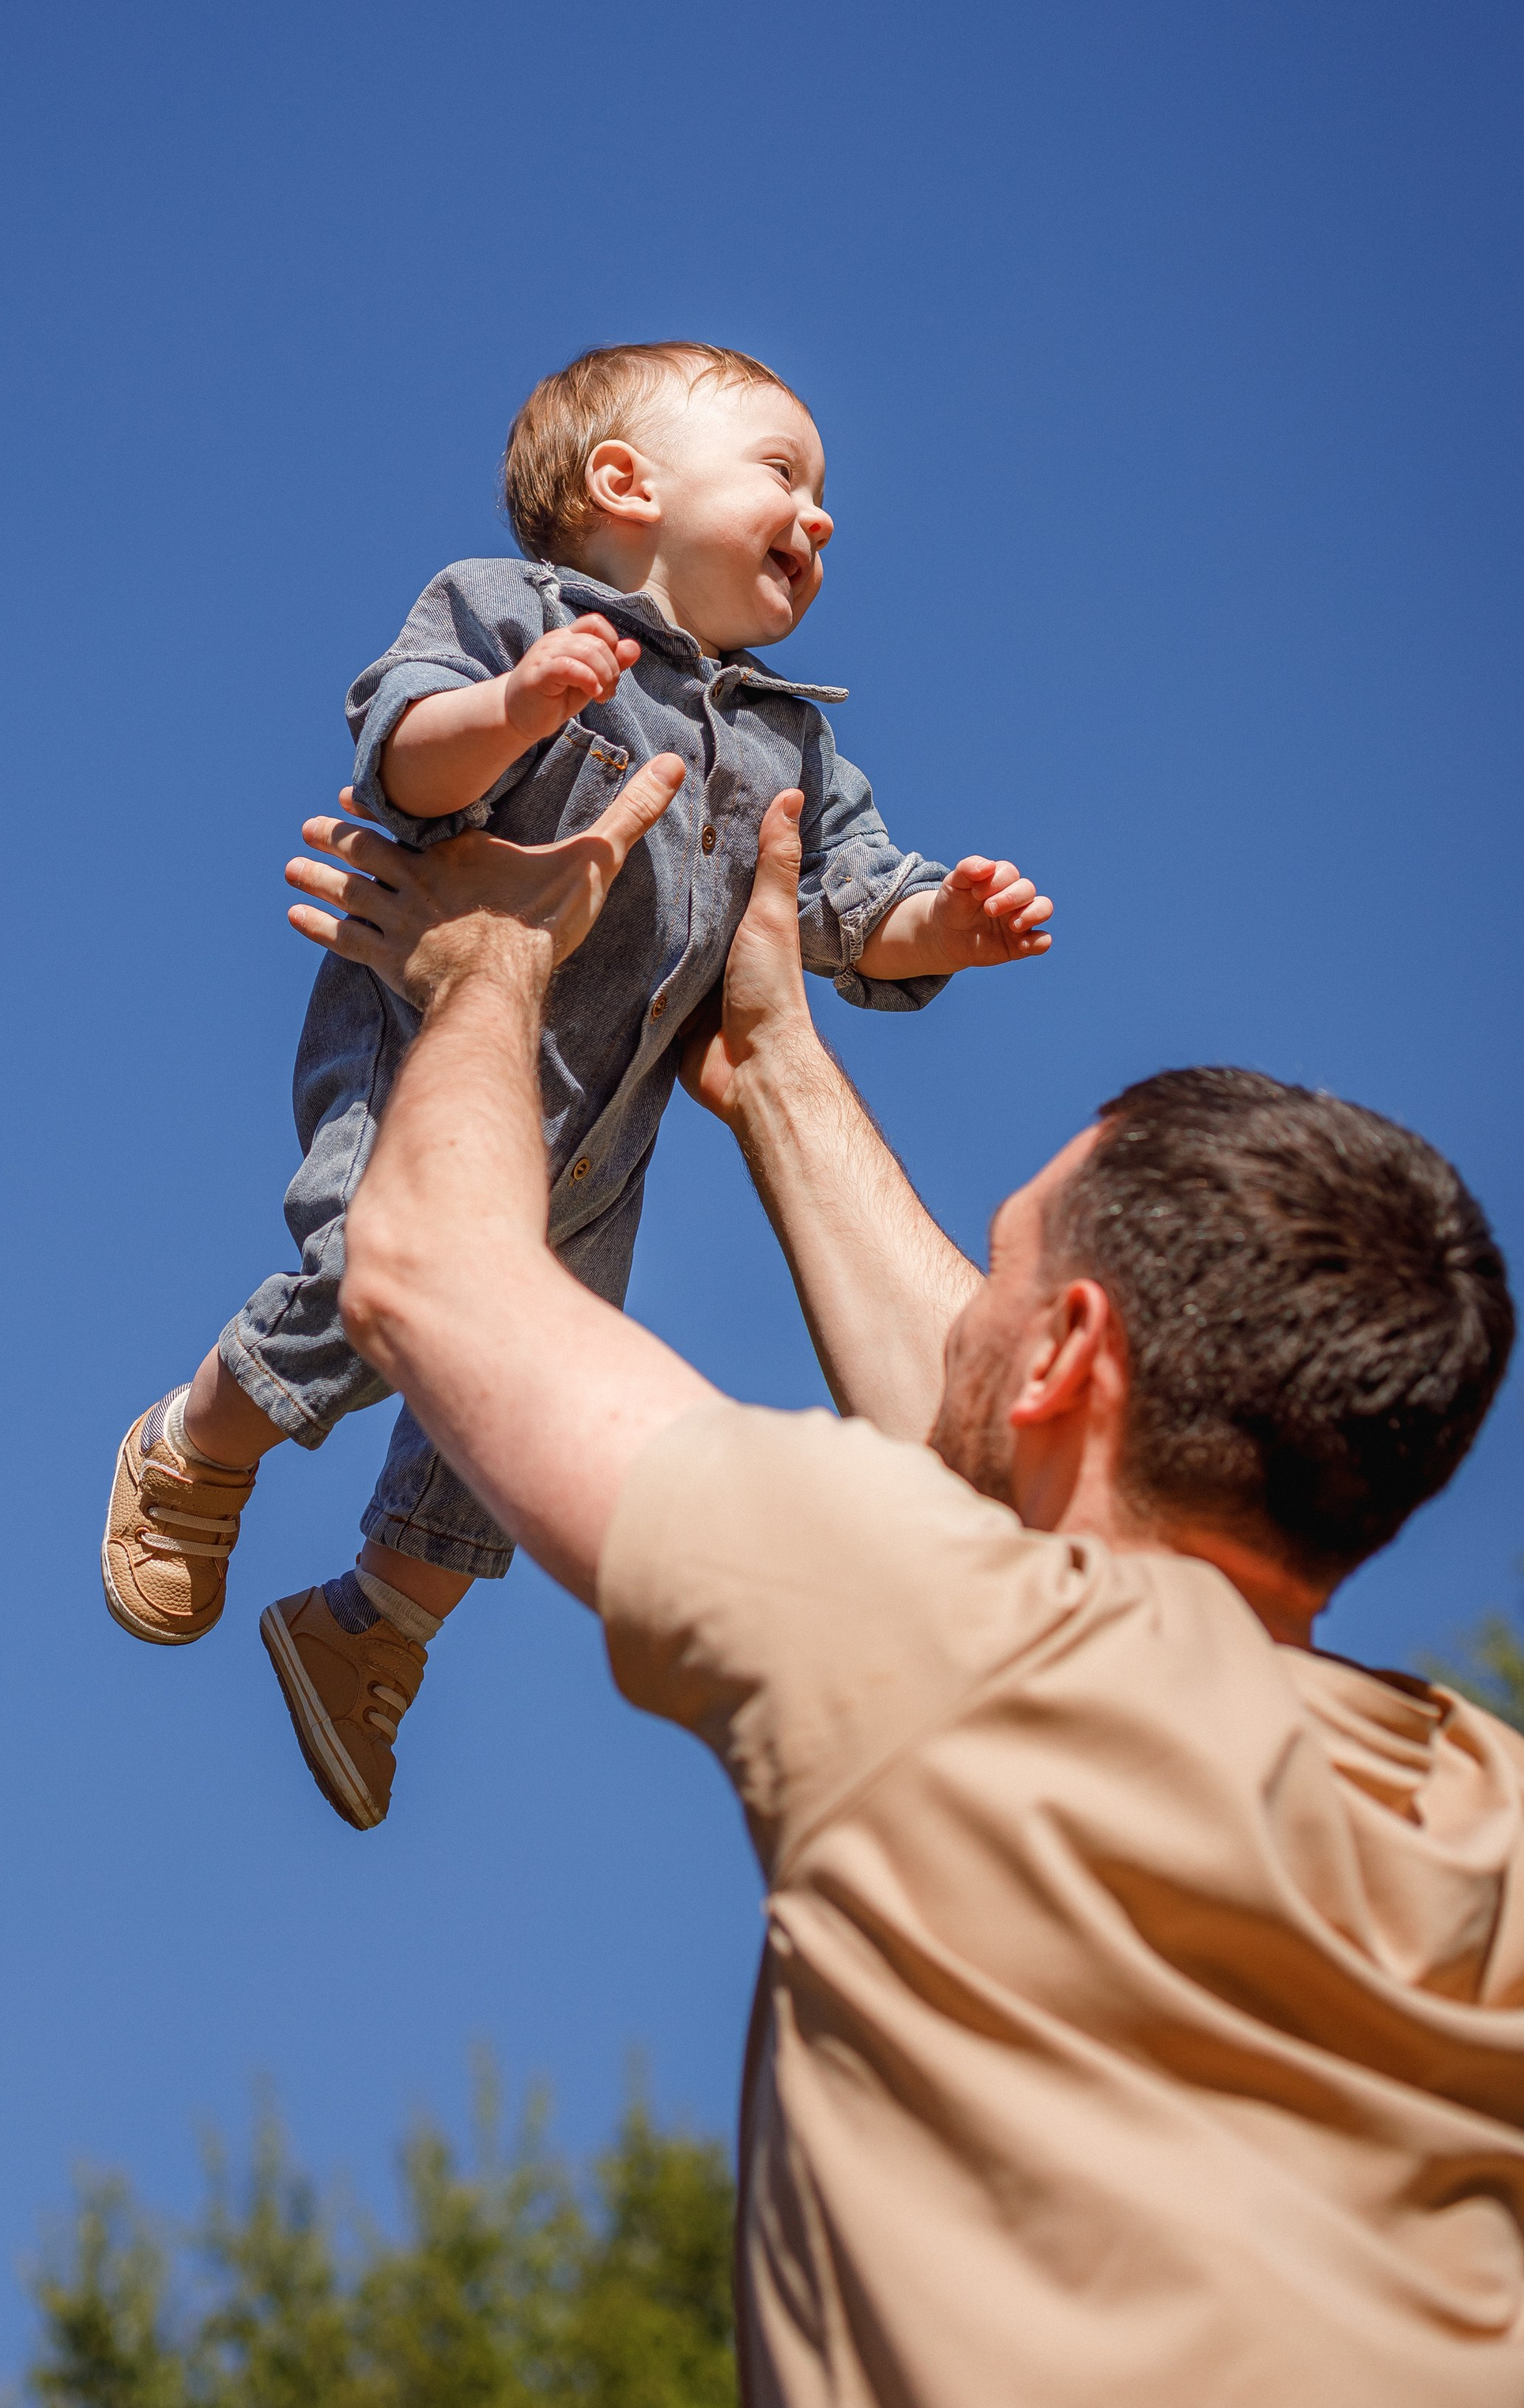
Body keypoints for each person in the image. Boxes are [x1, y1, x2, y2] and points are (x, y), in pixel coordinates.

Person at [286, 765, 1523, 2408]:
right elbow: (1027, 1466)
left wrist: (490, 967)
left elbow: (431, 1276)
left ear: (1068, 1353)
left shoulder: (962, 1654)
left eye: (997, 1270)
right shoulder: (1487, 1811)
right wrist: (772, 1067)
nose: (962, 1319)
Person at [101, 340, 1052, 1829]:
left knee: (523, 1371)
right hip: (431, 1053)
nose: (820, 518)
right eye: (785, 474)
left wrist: (942, 923)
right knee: (376, 1278)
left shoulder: (791, 735)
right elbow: (404, 757)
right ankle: (197, 1447)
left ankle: (374, 1626)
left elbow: (843, 899)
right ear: (625, 484)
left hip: (603, 1136)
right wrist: (519, 709)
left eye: (826, 499)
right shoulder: (512, 613)